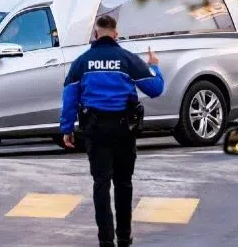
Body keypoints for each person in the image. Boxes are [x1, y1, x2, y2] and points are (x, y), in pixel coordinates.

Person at [60, 15, 165, 247]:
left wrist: (66, 128)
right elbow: (155, 88)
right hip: (123, 130)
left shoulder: (82, 62)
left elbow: (69, 97)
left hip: (95, 131)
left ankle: (105, 241)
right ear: (115, 35)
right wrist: (155, 65)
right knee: (123, 183)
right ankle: (125, 238)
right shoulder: (128, 60)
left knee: (101, 183)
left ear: (95, 34)